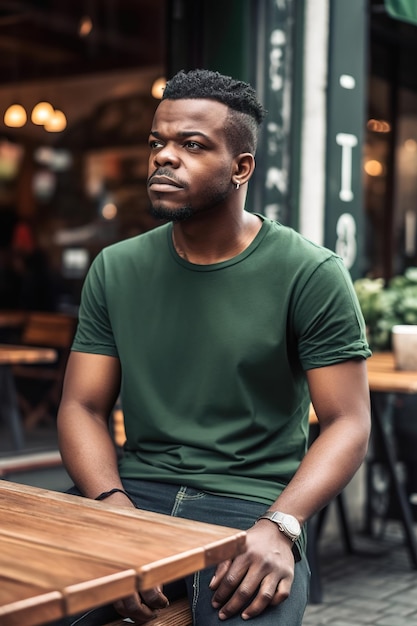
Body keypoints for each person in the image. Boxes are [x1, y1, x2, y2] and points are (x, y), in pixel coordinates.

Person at [56, 68, 371, 626]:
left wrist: (283, 526)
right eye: (158, 142)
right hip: (131, 490)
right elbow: (81, 406)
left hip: (251, 507)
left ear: (241, 167)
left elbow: (348, 422)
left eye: (192, 145)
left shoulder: (310, 272)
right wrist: (111, 507)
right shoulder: (117, 267)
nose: (164, 157)